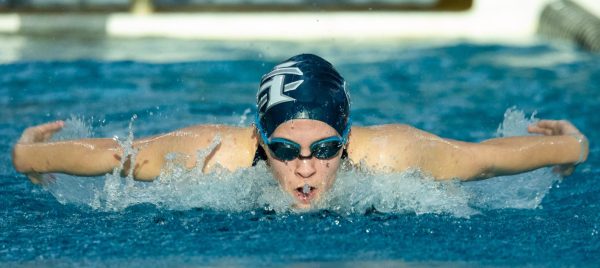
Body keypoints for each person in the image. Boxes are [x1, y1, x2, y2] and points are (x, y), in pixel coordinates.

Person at [12, 54, 589, 209]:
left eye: (326, 150)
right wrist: (28, 157)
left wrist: (571, 146)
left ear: (348, 140)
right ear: (261, 142)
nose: (306, 168)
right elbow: (118, 156)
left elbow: (485, 158)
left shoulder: (394, 156)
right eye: (285, 151)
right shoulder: (213, 159)